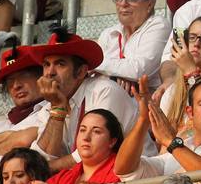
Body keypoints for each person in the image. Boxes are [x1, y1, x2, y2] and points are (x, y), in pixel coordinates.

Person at [30, 28, 138, 159]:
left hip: (136, 175)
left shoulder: (104, 91)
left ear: (81, 72)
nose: (50, 72)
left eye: (60, 64)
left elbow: (96, 152)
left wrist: (50, 167)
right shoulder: (49, 107)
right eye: (46, 65)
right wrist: (57, 108)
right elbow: (44, 157)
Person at [94, 0, 168, 90]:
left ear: (150, 4)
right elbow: (93, 75)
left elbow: (139, 70)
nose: (123, 4)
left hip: (146, 103)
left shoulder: (159, 25)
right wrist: (116, 76)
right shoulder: (108, 34)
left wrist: (96, 63)